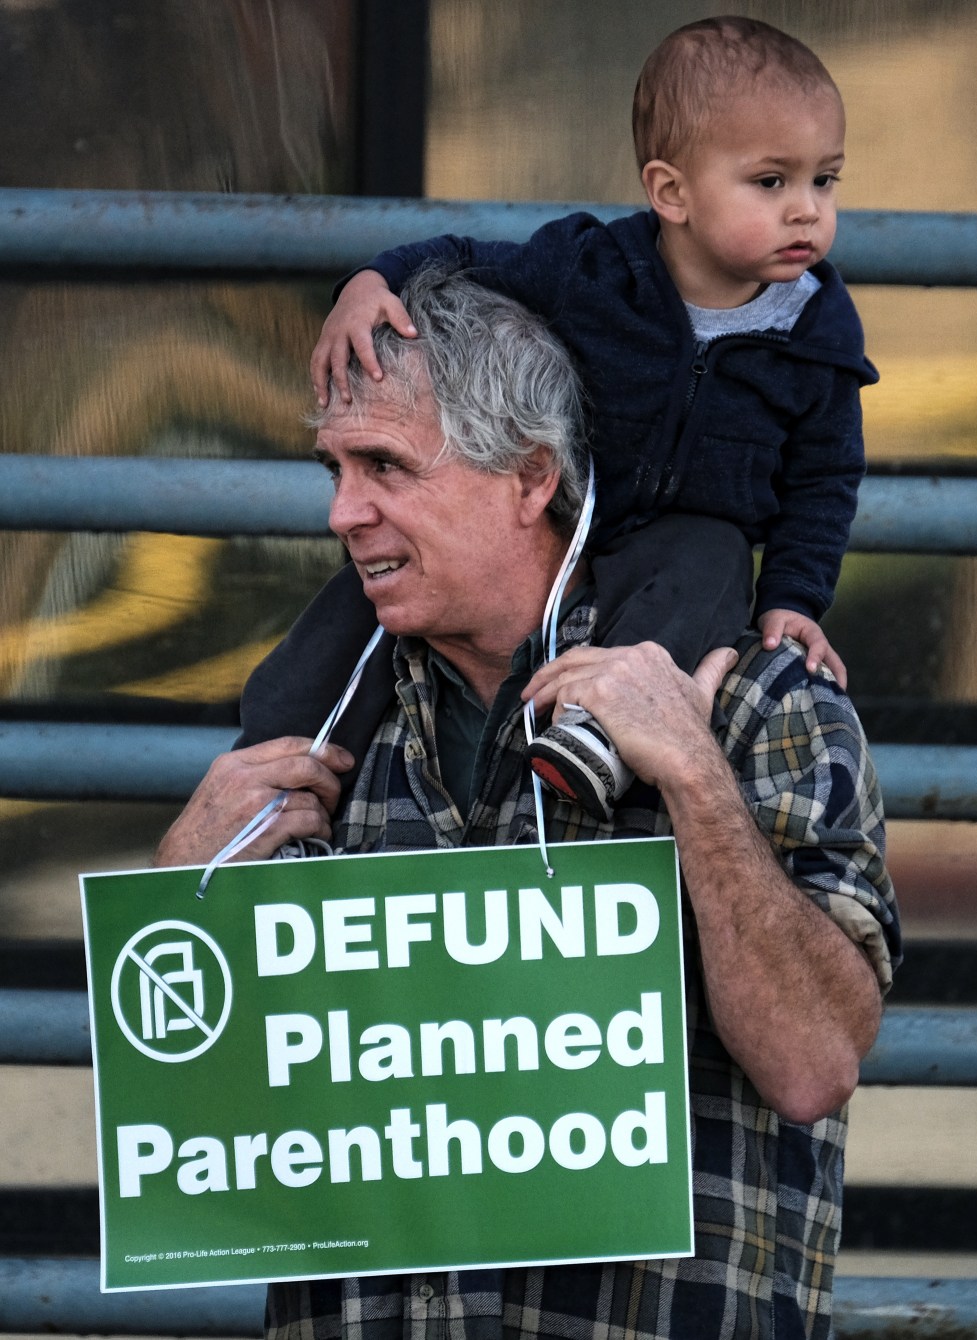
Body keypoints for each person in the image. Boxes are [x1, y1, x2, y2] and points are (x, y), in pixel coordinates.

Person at [156, 269, 900, 1340]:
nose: (341, 511)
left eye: (384, 467)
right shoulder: (317, 739)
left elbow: (813, 1062)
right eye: (334, 468)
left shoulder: (752, 701)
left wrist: (692, 778)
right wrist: (185, 890)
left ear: (528, 478)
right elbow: (211, 1122)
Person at [308, 15, 878, 823]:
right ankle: (289, 752)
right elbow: (470, 256)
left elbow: (825, 475)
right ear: (670, 191)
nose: (806, 213)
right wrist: (373, 279)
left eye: (825, 181)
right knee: (352, 605)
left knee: (710, 557)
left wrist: (794, 595)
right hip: (567, 522)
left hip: (682, 544)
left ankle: (595, 736)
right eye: (770, 182)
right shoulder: (593, 269)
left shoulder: (818, 330)